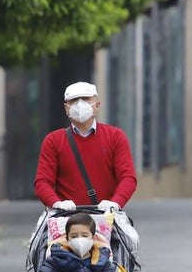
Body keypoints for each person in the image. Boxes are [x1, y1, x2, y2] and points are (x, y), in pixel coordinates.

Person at [34, 81, 137, 214]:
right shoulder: (53, 141)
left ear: (97, 105)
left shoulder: (116, 137)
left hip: (106, 217)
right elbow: (42, 181)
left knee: (128, 236)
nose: (80, 104)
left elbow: (128, 177)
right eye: (74, 100)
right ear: (66, 107)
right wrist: (56, 203)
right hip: (65, 219)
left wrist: (115, 203)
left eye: (86, 99)